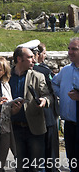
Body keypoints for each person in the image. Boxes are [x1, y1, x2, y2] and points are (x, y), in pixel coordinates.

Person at [9, 46, 50, 172]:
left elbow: (48, 96)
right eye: (30, 57)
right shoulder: (6, 77)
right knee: (21, 167)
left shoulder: (38, 76)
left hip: (34, 129)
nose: (34, 60)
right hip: (15, 128)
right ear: (19, 59)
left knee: (37, 167)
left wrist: (44, 101)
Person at [52, 37, 79, 172]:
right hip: (69, 125)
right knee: (72, 162)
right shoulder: (66, 70)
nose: (70, 52)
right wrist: (62, 95)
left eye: (74, 49)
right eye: (69, 48)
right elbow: (54, 83)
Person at [33, 42, 60, 172]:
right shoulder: (43, 71)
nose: (45, 56)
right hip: (47, 114)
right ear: (37, 55)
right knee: (50, 149)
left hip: (38, 115)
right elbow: (53, 89)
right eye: (43, 53)